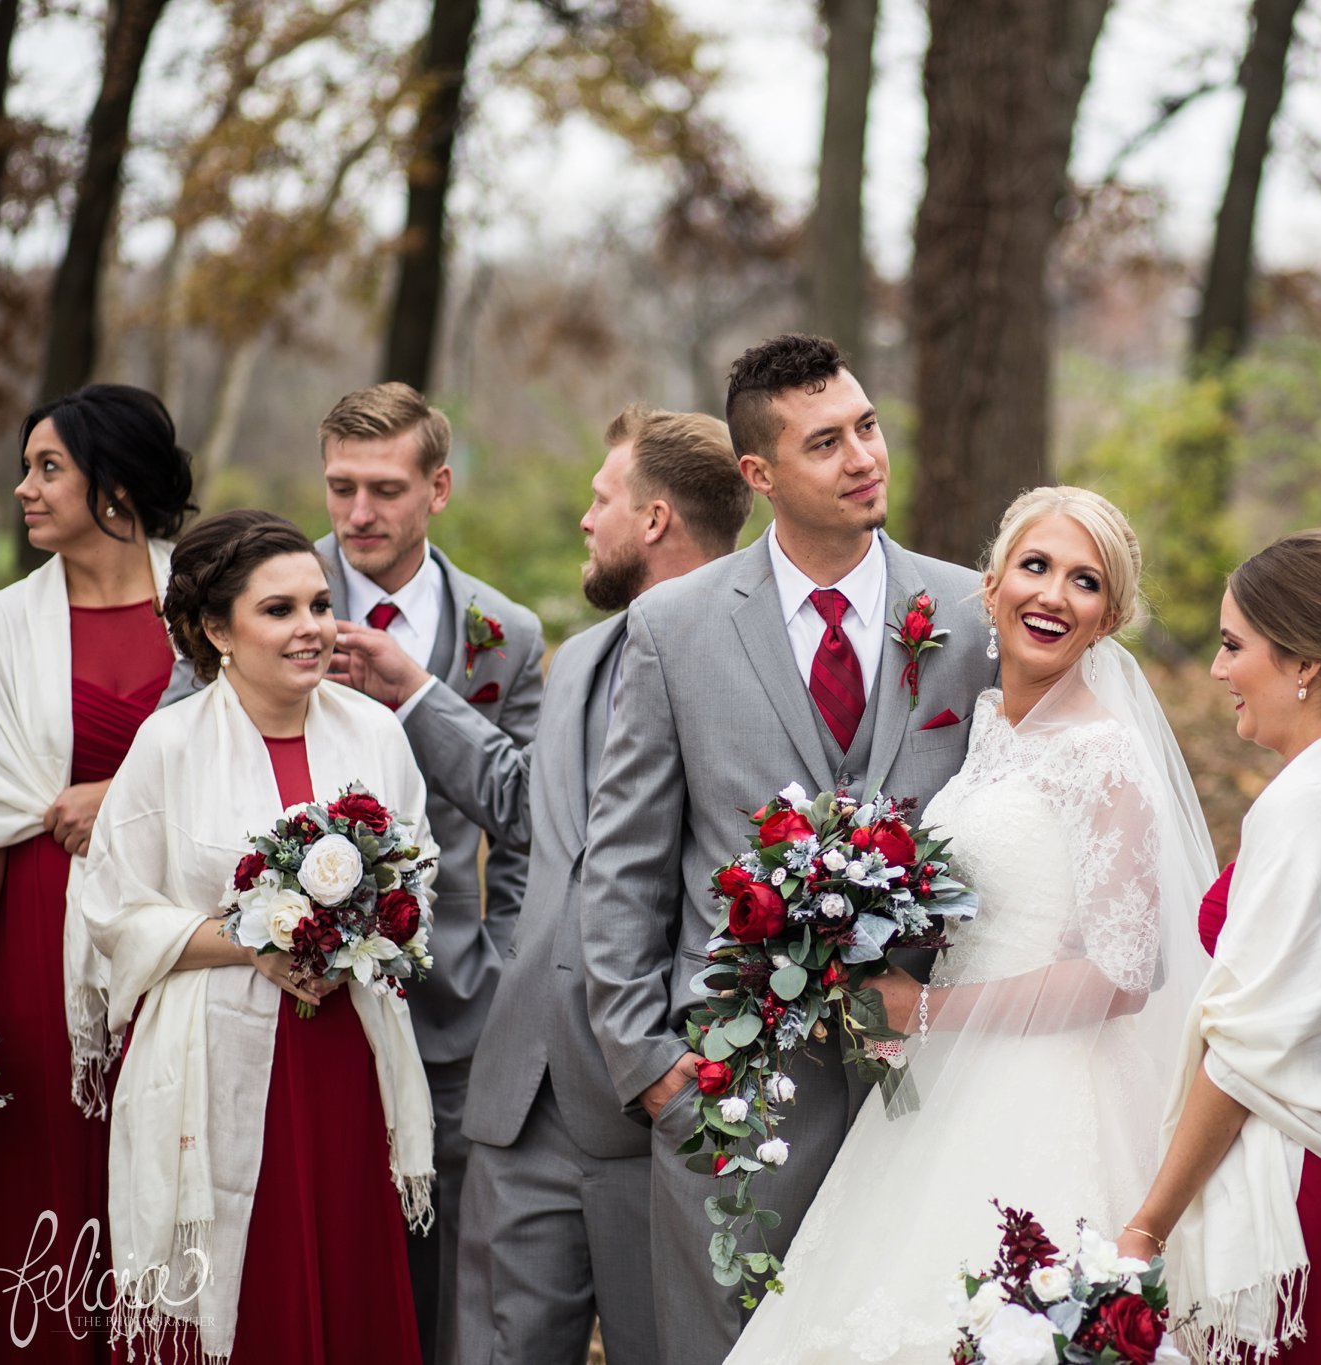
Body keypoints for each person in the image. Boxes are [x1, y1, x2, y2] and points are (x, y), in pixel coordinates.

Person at [578, 333, 1000, 1363]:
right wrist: (653, 1068)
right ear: (759, 475)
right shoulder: (672, 628)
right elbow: (623, 863)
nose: (863, 457)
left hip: (925, 1087)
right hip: (732, 1089)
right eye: (825, 443)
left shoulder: (967, 610)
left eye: (865, 426)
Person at [724, 485, 1217, 1365]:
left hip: (1040, 1090)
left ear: (1109, 617)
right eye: (1035, 566)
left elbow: (1123, 974)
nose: (1054, 595)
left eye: (1085, 581)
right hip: (939, 1081)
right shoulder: (990, 725)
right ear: (991, 588)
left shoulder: (1104, 756)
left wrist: (923, 1007)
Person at [330, 406, 752, 1365]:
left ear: (651, 520)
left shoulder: (741, 661)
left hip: (659, 1094)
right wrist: (416, 694)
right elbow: (530, 806)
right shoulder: (586, 657)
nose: (584, 521)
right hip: (522, 1094)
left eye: (600, 500)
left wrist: (668, 1067)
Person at [160, 383, 543, 1363]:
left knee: (438, 1264)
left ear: (439, 487)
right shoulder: (260, 596)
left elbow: (527, 824)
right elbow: (182, 759)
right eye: (340, 488)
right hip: (285, 1000)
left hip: (449, 999)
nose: (358, 515)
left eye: (383, 489)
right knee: (304, 1244)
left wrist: (495, 961)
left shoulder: (503, 635)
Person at [82, 509, 435, 1364]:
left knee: (340, 1278)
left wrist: (368, 927)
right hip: (213, 1061)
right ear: (215, 629)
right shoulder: (169, 743)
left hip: (344, 1057)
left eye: (318, 604)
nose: (311, 628)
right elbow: (113, 911)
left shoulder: (374, 733)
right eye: (280, 610)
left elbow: (418, 879)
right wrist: (255, 941)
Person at [1117, 529, 1321, 1364]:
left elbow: (1240, 1057)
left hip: (1307, 1202)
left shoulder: (1309, 808)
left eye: (1233, 645)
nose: (1219, 670)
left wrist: (1148, 1223)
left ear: (1303, 662)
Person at [0, 385, 194, 1365]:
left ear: (118, 486)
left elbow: (248, 763)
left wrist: (122, 793)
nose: (24, 488)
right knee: (42, 1177)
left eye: (48, 467)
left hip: (175, 937)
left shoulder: (207, 598)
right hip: (31, 936)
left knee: (169, 1170)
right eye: (26, 466)